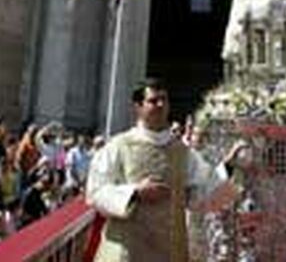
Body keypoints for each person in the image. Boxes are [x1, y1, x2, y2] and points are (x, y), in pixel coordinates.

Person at [86, 77, 245, 261]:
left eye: (164, 99)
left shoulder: (182, 152)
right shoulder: (118, 146)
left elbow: (205, 187)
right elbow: (96, 191)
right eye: (153, 101)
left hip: (168, 248)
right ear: (138, 107)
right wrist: (135, 193)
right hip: (127, 248)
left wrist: (228, 165)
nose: (161, 105)